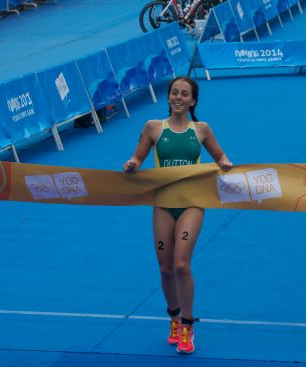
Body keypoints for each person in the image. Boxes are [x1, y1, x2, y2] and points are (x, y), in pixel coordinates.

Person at [123, 76, 233, 354]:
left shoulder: (202, 130)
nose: (178, 97)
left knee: (182, 264)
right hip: (163, 204)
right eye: (174, 93)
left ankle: (187, 325)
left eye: (184, 94)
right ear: (168, 97)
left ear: (193, 100)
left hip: (192, 203)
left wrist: (224, 162)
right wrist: (133, 163)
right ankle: (173, 318)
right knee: (165, 268)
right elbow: (137, 158)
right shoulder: (152, 128)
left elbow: (220, 156)